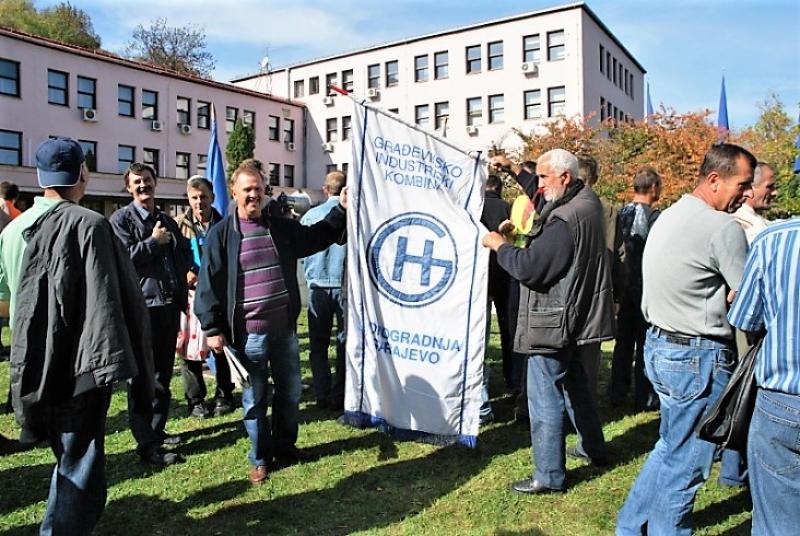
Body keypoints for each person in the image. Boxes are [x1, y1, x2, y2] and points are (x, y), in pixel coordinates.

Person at [6, 138, 154, 534]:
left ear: (39, 177)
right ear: (84, 174)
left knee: (65, 458)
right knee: (80, 462)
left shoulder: (12, 229)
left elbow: (8, 303)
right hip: (77, 365)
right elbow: (118, 301)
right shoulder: (91, 225)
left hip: (33, 363)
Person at [616, 143, 756, 535]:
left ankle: (631, 526)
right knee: (688, 461)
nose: (746, 193)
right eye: (742, 184)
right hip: (698, 357)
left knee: (670, 447)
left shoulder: (670, 214)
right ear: (714, 179)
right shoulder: (723, 227)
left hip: (661, 348)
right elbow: (750, 300)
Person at [195, 160, 348, 485]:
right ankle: (261, 458)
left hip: (284, 331)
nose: (253, 195)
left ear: (265, 191)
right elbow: (208, 283)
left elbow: (313, 238)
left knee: (291, 392)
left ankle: (285, 446)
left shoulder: (279, 225)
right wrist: (212, 328)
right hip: (248, 336)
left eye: (258, 189)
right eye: (246, 189)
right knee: (255, 400)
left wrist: (342, 210)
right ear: (234, 192)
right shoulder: (222, 234)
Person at [484, 149, 613, 494]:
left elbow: (531, 269)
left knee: (544, 397)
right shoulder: (587, 201)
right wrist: (514, 170)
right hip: (576, 314)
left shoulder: (563, 219)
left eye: (544, 177)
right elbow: (541, 195)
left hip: (552, 319)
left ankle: (549, 474)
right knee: (577, 387)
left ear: (565, 177)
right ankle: (593, 449)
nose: (538, 186)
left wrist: (500, 246)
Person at [110, 163, 191, 466]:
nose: (143, 186)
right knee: (144, 378)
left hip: (168, 306)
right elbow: (123, 261)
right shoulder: (120, 221)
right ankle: (146, 445)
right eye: (137, 183)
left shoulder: (165, 219)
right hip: (143, 309)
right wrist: (152, 243)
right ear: (129, 188)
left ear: (155, 182)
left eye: (147, 180)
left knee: (163, 375)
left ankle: (157, 431)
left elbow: (181, 253)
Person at [728, 218, 800, 536]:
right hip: (780, 399)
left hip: (781, 397)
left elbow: (745, 318)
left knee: (777, 519)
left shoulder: (773, 240)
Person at [175, 176, 234, 418]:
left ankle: (224, 395)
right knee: (189, 351)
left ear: (212, 198)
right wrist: (184, 272)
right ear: (188, 199)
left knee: (220, 347)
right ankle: (196, 400)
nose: (199, 202)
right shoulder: (177, 225)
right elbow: (172, 257)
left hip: (218, 295)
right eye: (194, 198)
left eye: (204, 197)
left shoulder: (226, 224)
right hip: (189, 296)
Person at [608, 167, 661, 411]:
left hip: (622, 286)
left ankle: (617, 393)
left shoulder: (620, 213)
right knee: (645, 343)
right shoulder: (654, 217)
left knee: (623, 343)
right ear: (653, 188)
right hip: (645, 287)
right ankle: (644, 395)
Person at [576, 154, 626, 403]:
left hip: (566, 291)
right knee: (589, 354)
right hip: (598, 291)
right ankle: (585, 406)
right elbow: (620, 256)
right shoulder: (606, 209)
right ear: (594, 178)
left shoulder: (562, 205)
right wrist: (617, 294)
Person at [300, 170, 347, 411]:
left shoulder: (310, 215)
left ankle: (321, 392)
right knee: (344, 342)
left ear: (325, 189)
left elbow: (302, 253)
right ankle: (340, 394)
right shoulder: (353, 216)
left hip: (317, 286)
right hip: (343, 286)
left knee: (318, 345)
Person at [478, 173, 512, 423]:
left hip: (480, 278)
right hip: (504, 274)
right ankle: (511, 376)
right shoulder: (507, 207)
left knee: (480, 332)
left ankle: (480, 381)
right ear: (499, 189)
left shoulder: (475, 208)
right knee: (508, 329)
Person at [732, 162, 777, 243]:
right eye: (769, 186)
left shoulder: (756, 221)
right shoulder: (739, 224)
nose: (775, 193)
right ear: (749, 187)